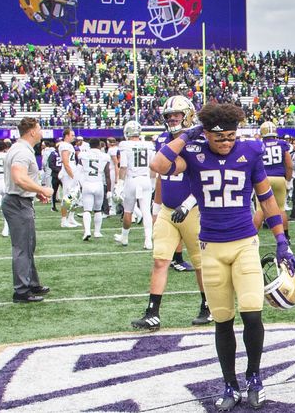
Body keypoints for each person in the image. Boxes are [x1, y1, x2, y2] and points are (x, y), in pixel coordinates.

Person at [150, 103, 295, 411]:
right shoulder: (193, 150)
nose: (227, 142)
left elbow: (267, 198)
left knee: (253, 313)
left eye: (231, 136)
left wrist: (282, 240)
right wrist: (187, 134)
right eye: (220, 138)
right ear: (206, 134)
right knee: (222, 320)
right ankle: (229, 383)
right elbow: (160, 165)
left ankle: (254, 377)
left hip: (244, 243)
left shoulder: (250, 152)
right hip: (211, 247)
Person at [133, 96, 213, 330]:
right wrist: (157, 208)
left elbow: (205, 180)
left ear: (188, 115)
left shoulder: (200, 141)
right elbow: (161, 175)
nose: (172, 119)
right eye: (168, 116)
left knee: (200, 263)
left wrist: (188, 203)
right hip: (169, 210)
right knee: (160, 261)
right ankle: (152, 313)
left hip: (193, 210)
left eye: (176, 115)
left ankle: (207, 307)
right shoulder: (163, 140)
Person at [4, 117, 54, 303]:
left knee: (28, 245)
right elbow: (19, 178)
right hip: (18, 203)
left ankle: (31, 283)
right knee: (22, 248)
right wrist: (42, 189)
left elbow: (22, 180)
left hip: (20, 200)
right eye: (39, 129)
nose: (41, 132)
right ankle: (21, 291)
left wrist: (34, 192)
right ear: (32, 131)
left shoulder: (21, 149)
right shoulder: (22, 152)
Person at [114, 121, 156, 249]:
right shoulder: (148, 145)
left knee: (128, 211)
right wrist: (153, 182)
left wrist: (119, 184)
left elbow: (124, 166)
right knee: (146, 211)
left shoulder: (125, 145)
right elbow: (153, 166)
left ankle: (125, 237)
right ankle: (148, 241)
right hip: (145, 179)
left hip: (132, 180)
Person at [252, 121, 293, 240]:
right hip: (279, 177)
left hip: (263, 179)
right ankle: (285, 237)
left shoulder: (258, 145)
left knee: (260, 209)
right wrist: (288, 180)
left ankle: (253, 236)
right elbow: (289, 165)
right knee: (281, 208)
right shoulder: (282, 144)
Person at [77, 138, 112, 241]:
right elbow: (107, 175)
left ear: (89, 145)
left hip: (87, 183)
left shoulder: (83, 155)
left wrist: (78, 184)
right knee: (98, 210)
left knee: (87, 210)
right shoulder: (105, 156)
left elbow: (78, 171)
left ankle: (87, 231)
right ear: (99, 146)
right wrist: (109, 190)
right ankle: (97, 232)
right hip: (98, 184)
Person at [58, 128, 80, 228]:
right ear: (66, 135)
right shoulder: (64, 145)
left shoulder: (69, 145)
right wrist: (72, 175)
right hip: (68, 174)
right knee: (67, 197)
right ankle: (64, 220)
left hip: (72, 171)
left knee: (74, 196)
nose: (74, 137)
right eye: (72, 135)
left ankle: (71, 218)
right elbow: (66, 163)